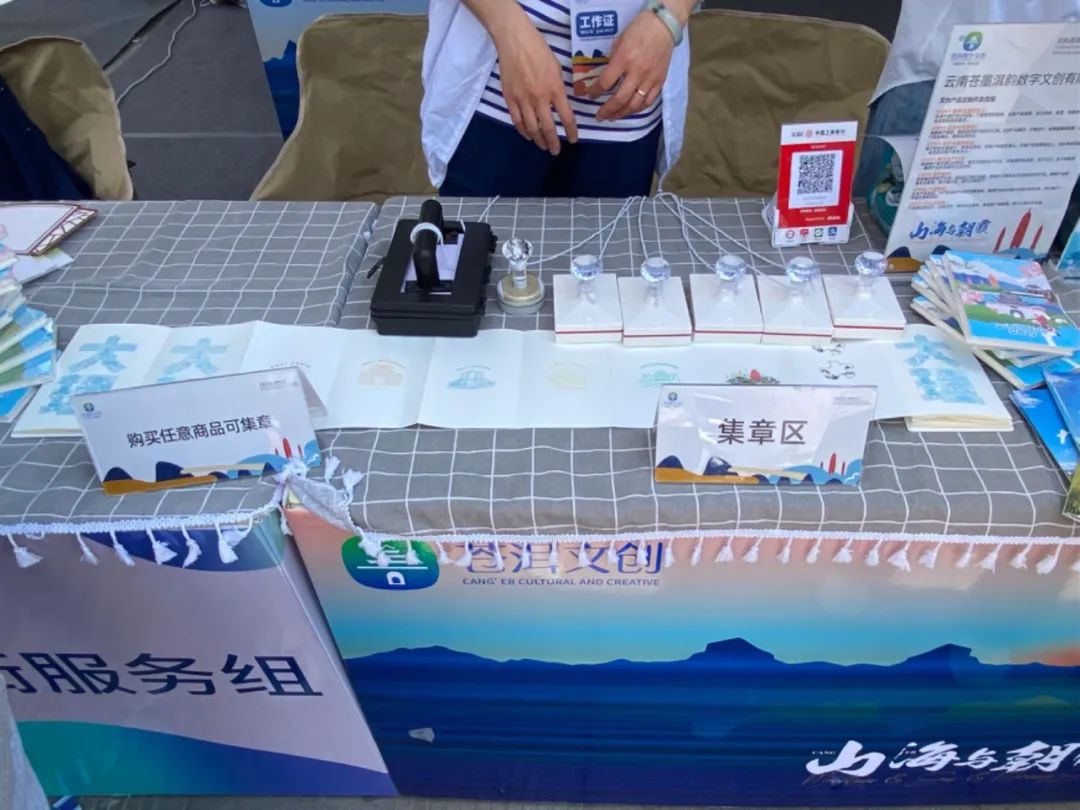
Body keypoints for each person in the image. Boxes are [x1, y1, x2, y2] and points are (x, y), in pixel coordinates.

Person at [421, 0, 694, 198]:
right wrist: (508, 28)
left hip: (628, 102)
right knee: (476, 251)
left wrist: (669, 14)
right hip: (496, 93)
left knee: (611, 257)